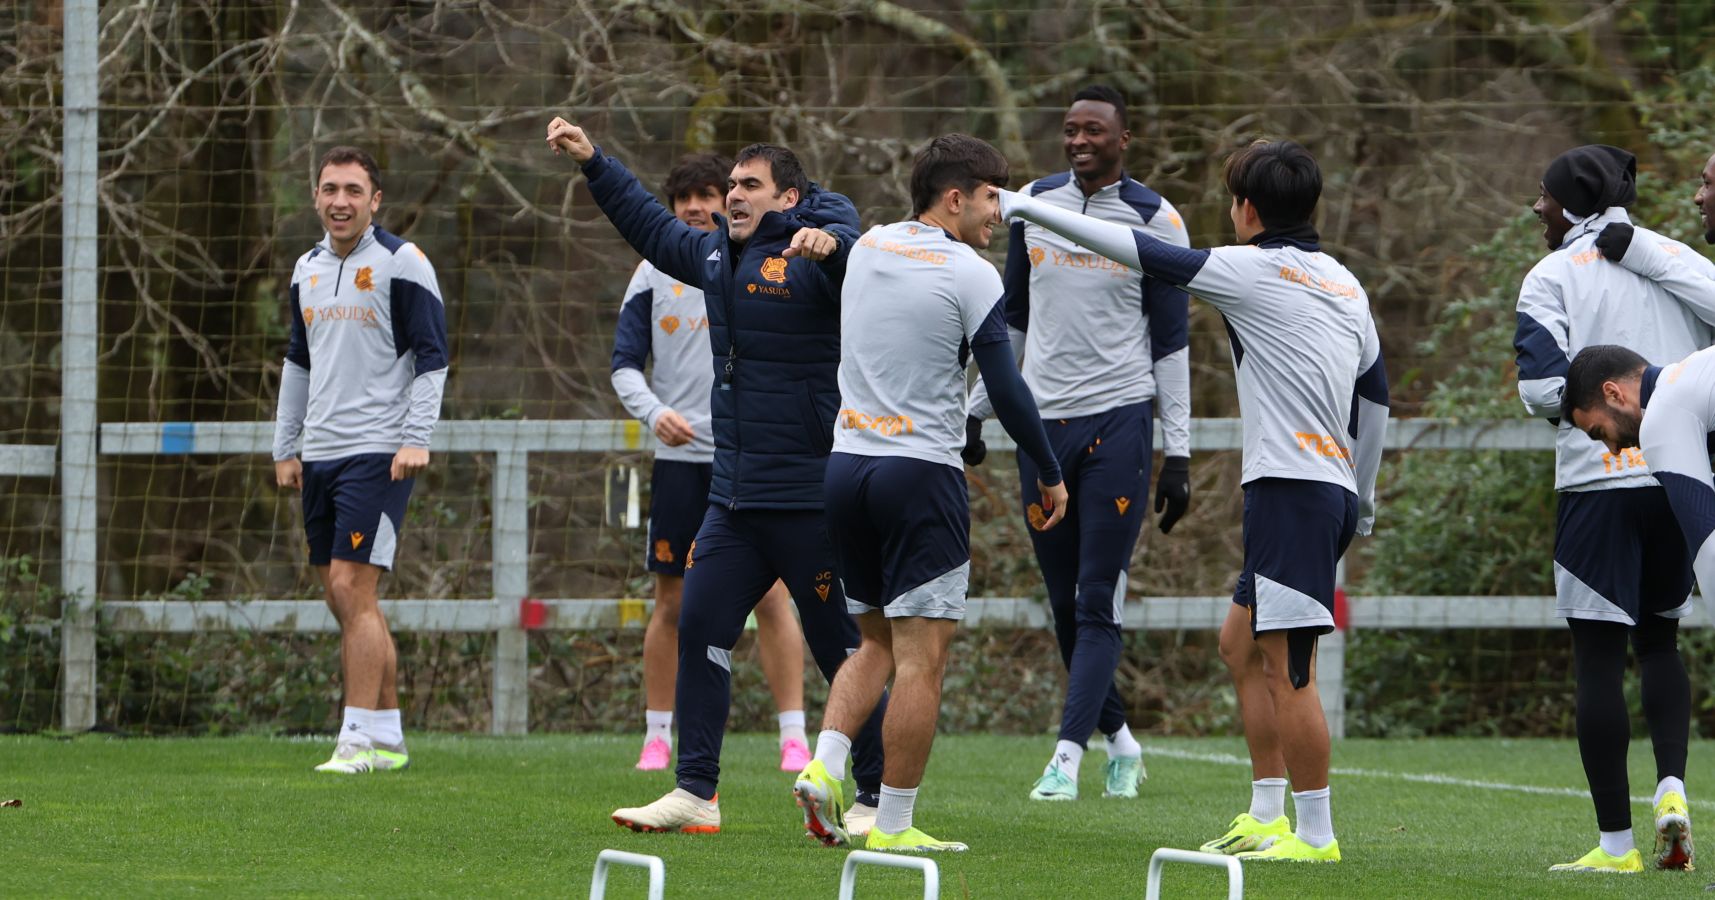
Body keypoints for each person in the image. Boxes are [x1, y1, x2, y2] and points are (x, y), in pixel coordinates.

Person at [993, 140, 1389, 863]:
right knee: (1238, 646)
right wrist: (1359, 498)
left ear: (1246, 210)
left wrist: (1027, 210)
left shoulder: (1248, 268)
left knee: (1289, 670)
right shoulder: (1344, 283)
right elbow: (1376, 398)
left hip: (1291, 495)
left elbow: (1132, 250)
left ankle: (1315, 836)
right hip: (1319, 493)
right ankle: (1266, 812)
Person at [547, 118, 887, 835]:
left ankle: (876, 798)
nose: (730, 195)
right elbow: (645, 224)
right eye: (729, 184)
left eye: (747, 185)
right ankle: (696, 792)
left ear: (788, 198)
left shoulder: (814, 257)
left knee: (844, 652)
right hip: (732, 500)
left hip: (807, 498)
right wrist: (594, 161)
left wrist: (828, 241)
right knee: (698, 625)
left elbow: (854, 258)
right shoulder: (707, 256)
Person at [791, 134, 1069, 853]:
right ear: (954, 197)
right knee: (923, 657)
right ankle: (895, 825)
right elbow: (1004, 386)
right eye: (989, 198)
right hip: (918, 475)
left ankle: (823, 768)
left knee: (874, 640)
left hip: (846, 469)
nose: (997, 215)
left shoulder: (872, 246)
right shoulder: (970, 273)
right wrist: (1046, 466)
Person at [965, 84, 1191, 802]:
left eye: (1093, 130)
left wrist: (1177, 449)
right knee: (1063, 602)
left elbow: (1171, 341)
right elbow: (1011, 320)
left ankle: (1064, 759)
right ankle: (1121, 742)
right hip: (1040, 428)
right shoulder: (1031, 203)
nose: (1078, 141)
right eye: (1069, 130)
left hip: (1120, 420)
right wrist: (976, 409)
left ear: (1124, 140)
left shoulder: (1158, 219)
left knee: (1097, 598)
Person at [1511, 145, 1715, 873]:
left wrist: (1583, 398)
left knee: (1596, 658)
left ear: (1568, 202)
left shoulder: (1549, 275)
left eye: (1542, 196)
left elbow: (1538, 389)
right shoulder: (1674, 256)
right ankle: (1671, 791)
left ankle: (1615, 847)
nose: (1535, 208)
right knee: (1660, 643)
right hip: (1676, 479)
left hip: (1594, 489)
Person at [609, 152, 813, 774]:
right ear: (671, 209)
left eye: (709, 194)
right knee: (671, 603)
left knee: (774, 599)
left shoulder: (765, 262)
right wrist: (652, 413)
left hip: (754, 465)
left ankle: (793, 734)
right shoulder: (651, 273)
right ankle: (658, 734)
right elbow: (623, 364)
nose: (698, 206)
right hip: (683, 462)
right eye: (685, 198)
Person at [271, 146, 450, 774]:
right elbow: (298, 360)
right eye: (329, 189)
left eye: (353, 190)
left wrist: (415, 437)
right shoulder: (306, 269)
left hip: (379, 451)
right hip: (319, 453)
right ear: (315, 197)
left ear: (375, 200)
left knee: (353, 587)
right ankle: (390, 732)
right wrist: (286, 447)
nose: (340, 201)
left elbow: (433, 357)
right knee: (342, 597)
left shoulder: (403, 263)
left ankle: (354, 741)